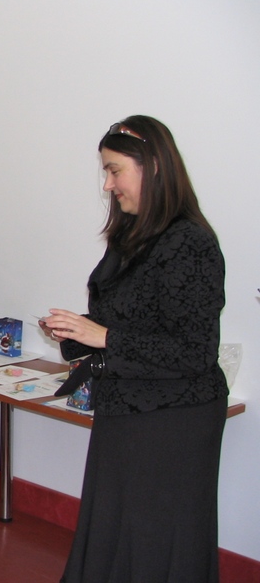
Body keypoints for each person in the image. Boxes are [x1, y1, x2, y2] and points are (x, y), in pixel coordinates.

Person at [39, 116, 228, 582]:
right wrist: (74, 332)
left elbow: (195, 352)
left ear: (154, 166)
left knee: (154, 544)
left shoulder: (191, 243)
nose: (107, 184)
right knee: (112, 535)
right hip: (126, 408)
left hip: (174, 421)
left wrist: (103, 337)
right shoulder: (131, 237)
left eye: (114, 170)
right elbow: (121, 321)